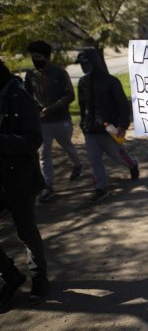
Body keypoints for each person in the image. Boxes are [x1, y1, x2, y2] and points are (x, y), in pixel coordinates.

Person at [0, 59, 48, 309]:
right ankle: (10, 275)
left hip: (18, 179)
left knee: (26, 232)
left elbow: (33, 140)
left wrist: (3, 141)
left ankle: (39, 278)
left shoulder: (20, 99)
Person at [76, 48, 139, 202]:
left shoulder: (111, 81)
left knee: (118, 156)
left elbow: (123, 105)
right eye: (81, 64)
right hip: (90, 130)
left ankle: (132, 165)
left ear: (94, 62)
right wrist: (83, 123)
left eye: (86, 63)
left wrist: (122, 125)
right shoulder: (82, 82)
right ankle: (100, 188)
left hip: (109, 129)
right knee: (94, 160)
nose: (83, 67)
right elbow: (82, 106)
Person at [24, 40, 82, 202]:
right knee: (44, 154)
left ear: (47, 57)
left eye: (38, 56)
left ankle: (77, 165)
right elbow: (27, 96)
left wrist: (52, 108)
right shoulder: (30, 75)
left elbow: (70, 95)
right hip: (41, 122)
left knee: (68, 147)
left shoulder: (60, 73)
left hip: (60, 119)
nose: (36, 60)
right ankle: (48, 187)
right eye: (33, 57)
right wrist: (36, 108)